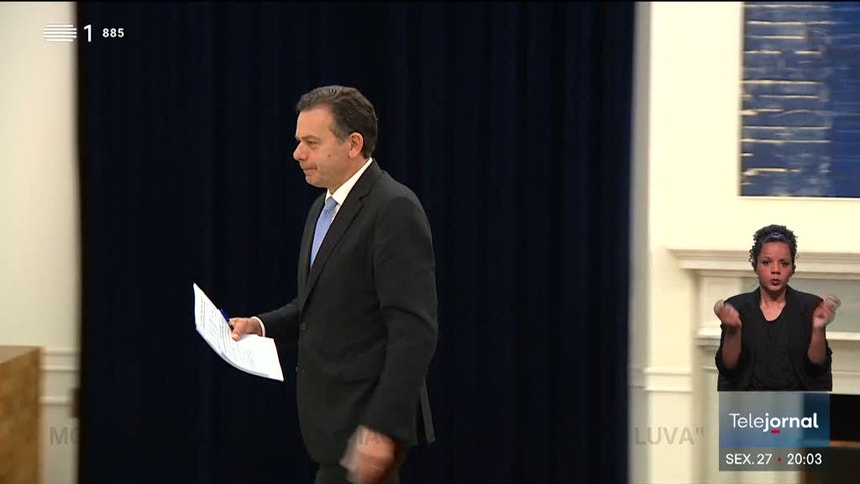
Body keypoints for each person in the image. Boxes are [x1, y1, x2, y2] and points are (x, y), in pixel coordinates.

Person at [229, 85, 438, 483]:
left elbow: (414, 331)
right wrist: (260, 325)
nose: (297, 154)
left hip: (365, 429)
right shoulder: (322, 207)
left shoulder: (393, 208)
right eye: (298, 142)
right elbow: (319, 305)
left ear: (353, 144)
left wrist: (382, 428)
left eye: (311, 143)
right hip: (332, 427)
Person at [714, 224, 840, 391]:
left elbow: (817, 368)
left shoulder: (810, 307)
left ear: (793, 268)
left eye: (784, 263)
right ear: (755, 266)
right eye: (766, 262)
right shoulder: (737, 308)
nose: (775, 270)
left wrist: (817, 328)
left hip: (799, 403)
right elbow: (729, 368)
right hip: (747, 405)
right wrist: (734, 330)